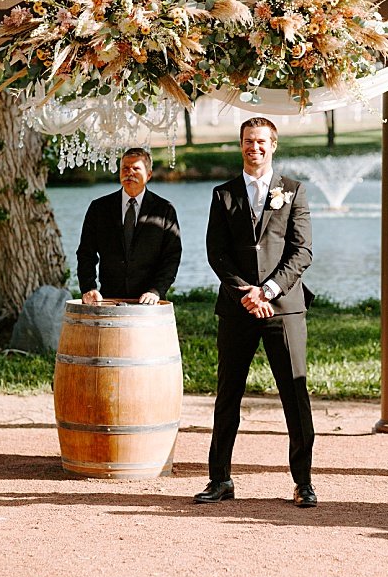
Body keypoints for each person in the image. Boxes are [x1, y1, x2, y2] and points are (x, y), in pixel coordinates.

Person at [195, 117, 317, 508]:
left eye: (261, 141)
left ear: (273, 145)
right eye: (249, 141)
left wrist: (267, 290)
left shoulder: (293, 191)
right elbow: (216, 252)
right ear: (241, 145)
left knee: (294, 396)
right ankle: (220, 479)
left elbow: (302, 252)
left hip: (284, 308)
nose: (255, 148)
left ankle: (303, 482)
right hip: (237, 308)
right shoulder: (223, 194)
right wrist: (245, 293)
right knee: (228, 395)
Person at [75, 147, 182, 305]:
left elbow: (171, 257)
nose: (129, 172)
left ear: (149, 174)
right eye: (125, 168)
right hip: (108, 299)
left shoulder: (164, 210)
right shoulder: (99, 208)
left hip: (149, 301)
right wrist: (88, 287)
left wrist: (156, 290)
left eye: (136, 168)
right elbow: (86, 253)